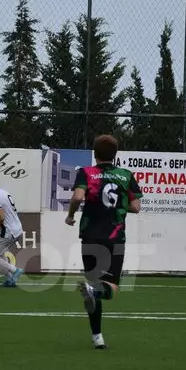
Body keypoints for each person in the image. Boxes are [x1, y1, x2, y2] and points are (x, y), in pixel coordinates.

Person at [65, 134, 142, 349]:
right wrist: (118, 206)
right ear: (115, 155)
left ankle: (97, 337)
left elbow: (78, 197)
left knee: (93, 283)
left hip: (90, 234)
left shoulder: (86, 172)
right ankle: (95, 296)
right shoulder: (125, 175)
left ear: (95, 154)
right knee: (110, 286)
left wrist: (70, 216)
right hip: (114, 237)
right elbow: (136, 207)